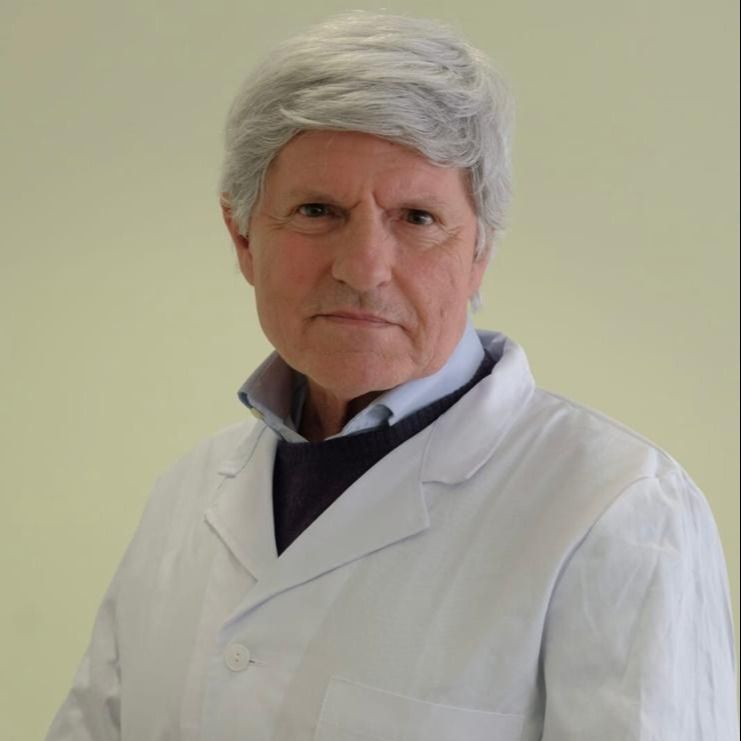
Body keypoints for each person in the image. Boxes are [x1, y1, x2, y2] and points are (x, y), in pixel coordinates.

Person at [46, 12, 737, 741]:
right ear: (243, 237)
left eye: (416, 217)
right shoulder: (184, 496)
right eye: (317, 210)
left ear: (480, 252)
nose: (362, 267)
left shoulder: (616, 509)